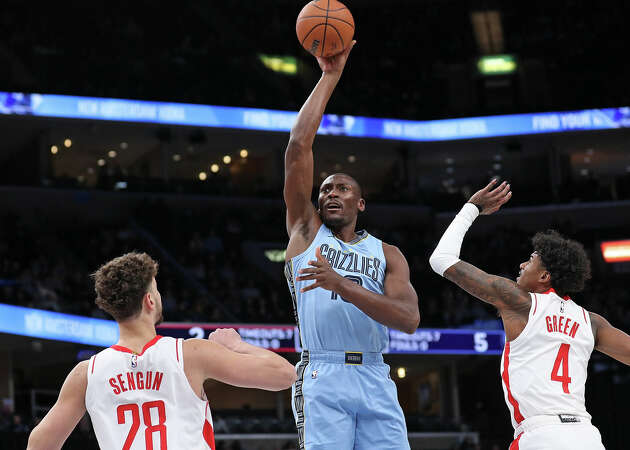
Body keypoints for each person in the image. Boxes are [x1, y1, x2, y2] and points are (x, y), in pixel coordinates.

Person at [283, 41, 420, 450]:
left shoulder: (388, 254)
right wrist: (330, 75)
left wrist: (342, 284)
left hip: (376, 374)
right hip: (323, 374)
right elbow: (297, 149)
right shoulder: (306, 231)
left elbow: (408, 319)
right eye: (325, 188)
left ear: (360, 203)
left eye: (342, 188)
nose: (330, 193)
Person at [429, 179, 630, 449]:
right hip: (587, 436)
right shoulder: (591, 322)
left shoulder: (519, 301)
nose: (522, 264)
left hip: (541, 435)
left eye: (531, 259)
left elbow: (440, 259)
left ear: (545, 276)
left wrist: (472, 208)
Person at [27, 252, 296, 450]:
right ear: (150, 300)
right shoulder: (191, 354)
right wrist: (238, 346)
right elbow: (284, 375)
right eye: (156, 289)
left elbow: (39, 443)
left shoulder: (86, 373)